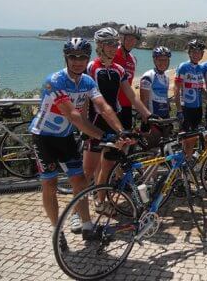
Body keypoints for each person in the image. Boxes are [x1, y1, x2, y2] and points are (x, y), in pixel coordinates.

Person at [29, 38, 129, 247]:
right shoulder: (54, 81)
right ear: (66, 58)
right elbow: (74, 116)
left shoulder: (87, 82)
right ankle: (57, 230)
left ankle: (87, 226)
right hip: (43, 137)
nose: (77, 61)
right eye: (72, 57)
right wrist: (104, 136)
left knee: (80, 182)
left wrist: (120, 131)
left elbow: (104, 107)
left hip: (65, 137)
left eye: (82, 57)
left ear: (87, 59)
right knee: (50, 184)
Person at [84, 27, 151, 213]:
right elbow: (82, 98)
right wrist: (82, 124)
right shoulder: (91, 67)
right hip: (94, 124)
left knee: (107, 167)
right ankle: (75, 213)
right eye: (108, 44)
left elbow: (131, 96)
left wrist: (148, 115)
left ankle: (100, 202)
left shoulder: (119, 69)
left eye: (115, 43)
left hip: (113, 124)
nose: (113, 48)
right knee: (87, 172)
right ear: (99, 45)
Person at [174, 39, 206, 157]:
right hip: (186, 107)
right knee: (185, 139)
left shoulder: (200, 69)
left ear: (202, 54)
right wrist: (178, 110)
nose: (196, 55)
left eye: (199, 52)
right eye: (193, 52)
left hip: (198, 108)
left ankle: (187, 163)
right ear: (189, 53)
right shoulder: (183, 66)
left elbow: (200, 88)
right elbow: (176, 89)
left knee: (193, 137)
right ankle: (182, 166)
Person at [140, 46, 173, 142]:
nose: (163, 63)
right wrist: (145, 119)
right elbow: (143, 100)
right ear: (155, 60)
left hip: (165, 117)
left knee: (164, 148)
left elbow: (165, 97)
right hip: (152, 118)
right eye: (160, 60)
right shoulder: (148, 76)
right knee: (152, 149)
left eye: (165, 60)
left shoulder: (166, 77)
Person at [113, 24, 142, 130]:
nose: (131, 42)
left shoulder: (133, 59)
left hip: (127, 104)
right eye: (128, 39)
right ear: (121, 38)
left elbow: (129, 84)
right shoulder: (113, 54)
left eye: (134, 40)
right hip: (113, 104)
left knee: (127, 140)